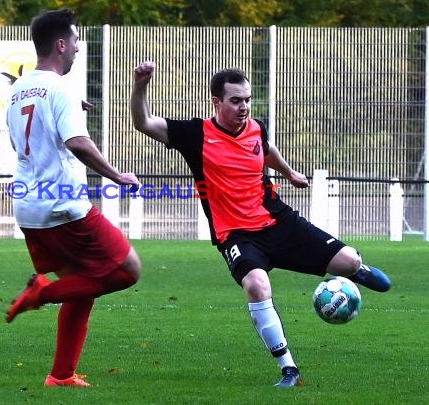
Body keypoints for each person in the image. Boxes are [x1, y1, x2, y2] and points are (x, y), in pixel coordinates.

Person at [130, 61, 391, 387]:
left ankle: (357, 271)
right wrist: (141, 84)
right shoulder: (195, 134)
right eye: (236, 100)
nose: (244, 107)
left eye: (248, 100)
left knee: (349, 259)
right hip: (235, 233)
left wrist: (289, 172)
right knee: (256, 285)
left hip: (277, 220)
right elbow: (144, 123)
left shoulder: (256, 127)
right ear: (217, 102)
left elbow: (265, 149)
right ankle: (289, 369)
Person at [4, 8, 142, 388]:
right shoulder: (61, 88)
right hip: (64, 205)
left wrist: (65, 110)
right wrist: (116, 174)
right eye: (77, 41)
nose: (79, 48)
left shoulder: (18, 90)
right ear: (61, 44)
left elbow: (20, 142)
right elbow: (77, 142)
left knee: (82, 287)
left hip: (29, 205)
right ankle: (41, 293)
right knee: (129, 269)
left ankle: (61, 375)